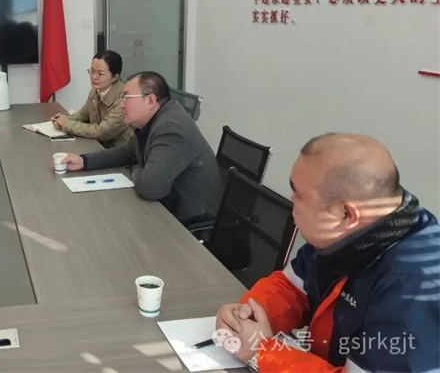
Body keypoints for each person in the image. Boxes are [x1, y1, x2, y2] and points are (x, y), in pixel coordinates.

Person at [214, 133, 440, 373]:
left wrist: (261, 352)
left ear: (346, 214)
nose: (291, 201)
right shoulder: (359, 230)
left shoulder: (412, 286)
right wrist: (246, 316)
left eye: (298, 194)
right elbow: (292, 287)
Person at [60, 72, 222, 223]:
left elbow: (149, 188)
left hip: (187, 221)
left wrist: (137, 166)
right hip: (164, 206)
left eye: (127, 98)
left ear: (150, 101)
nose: (122, 105)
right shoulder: (152, 119)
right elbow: (127, 152)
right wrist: (84, 161)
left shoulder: (170, 128)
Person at [51, 51, 133, 148]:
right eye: (92, 71)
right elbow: (83, 114)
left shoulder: (124, 99)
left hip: (119, 150)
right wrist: (62, 121)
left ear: (114, 77)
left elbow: (100, 132)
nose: (94, 77)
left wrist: (67, 124)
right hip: (98, 145)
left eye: (100, 74)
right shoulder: (95, 91)